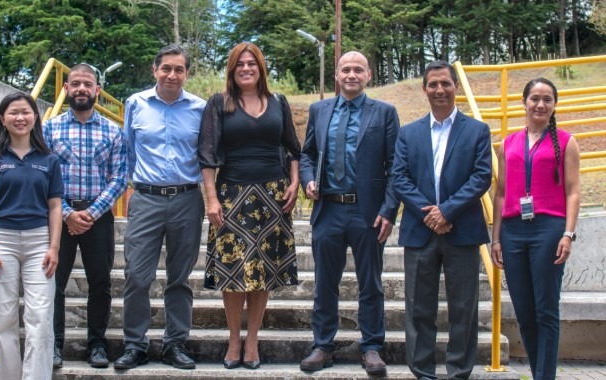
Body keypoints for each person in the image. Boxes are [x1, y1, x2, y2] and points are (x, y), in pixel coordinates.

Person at [198, 42, 301, 370]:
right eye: (240, 64)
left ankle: (252, 340)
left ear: (260, 68)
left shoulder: (278, 102)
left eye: (252, 63)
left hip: (273, 197)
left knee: (263, 274)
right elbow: (207, 155)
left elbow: (293, 148)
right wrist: (211, 198)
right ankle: (233, 340)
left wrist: (295, 183)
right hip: (231, 197)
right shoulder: (219, 103)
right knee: (233, 273)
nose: (246, 68)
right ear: (232, 69)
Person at [298, 51, 400, 377]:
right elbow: (307, 155)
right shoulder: (319, 110)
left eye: (358, 69)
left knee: (370, 283)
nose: (351, 74)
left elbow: (396, 166)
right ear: (337, 75)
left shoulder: (384, 113)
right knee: (325, 282)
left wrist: (388, 210)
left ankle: (371, 347)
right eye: (346, 69)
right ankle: (323, 346)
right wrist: (308, 179)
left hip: (367, 212)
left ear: (369, 75)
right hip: (328, 209)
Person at [392, 60, 492, 379]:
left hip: (461, 230)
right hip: (420, 231)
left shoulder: (477, 130)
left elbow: (481, 177)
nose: (439, 90)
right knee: (419, 309)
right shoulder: (408, 133)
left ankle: (458, 371)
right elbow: (399, 177)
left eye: (445, 83)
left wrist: (446, 210)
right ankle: (422, 371)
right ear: (424, 89)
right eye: (433, 84)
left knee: (463, 309)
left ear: (456, 87)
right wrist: (431, 212)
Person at [114, 44, 206, 370]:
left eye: (179, 69)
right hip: (146, 198)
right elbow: (127, 152)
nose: (172, 74)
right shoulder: (135, 104)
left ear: (186, 73)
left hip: (187, 199)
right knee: (137, 275)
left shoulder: (200, 108)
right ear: (155, 70)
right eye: (166, 68)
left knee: (180, 278)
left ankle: (174, 344)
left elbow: (207, 156)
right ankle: (135, 345)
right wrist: (130, 191)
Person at [491, 78, 580, 379]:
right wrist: (496, 238)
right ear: (524, 102)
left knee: (546, 310)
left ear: (554, 105)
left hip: (549, 229)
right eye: (534, 99)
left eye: (547, 99)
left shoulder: (566, 141)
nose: (540, 105)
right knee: (525, 314)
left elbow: (572, 191)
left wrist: (568, 233)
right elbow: (501, 192)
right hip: (514, 231)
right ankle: (538, 372)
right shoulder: (507, 143)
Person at [43, 64, 127, 369]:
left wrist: (90, 213)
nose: (81, 89)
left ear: (97, 91)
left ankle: (97, 345)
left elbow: (119, 177)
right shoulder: (48, 129)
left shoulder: (113, 131)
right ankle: (53, 345)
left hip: (98, 216)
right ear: (65, 88)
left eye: (87, 84)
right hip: (58, 216)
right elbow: (43, 176)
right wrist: (66, 213)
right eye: (75, 83)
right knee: (54, 282)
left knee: (101, 283)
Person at [0, 92, 63, 379]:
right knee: (2, 320)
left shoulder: (49, 159)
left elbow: (55, 206)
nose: (20, 118)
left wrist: (54, 247)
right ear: (3, 118)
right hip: (1, 241)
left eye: (26, 112)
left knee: (40, 317)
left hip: (39, 242)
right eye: (13, 112)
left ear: (35, 117)